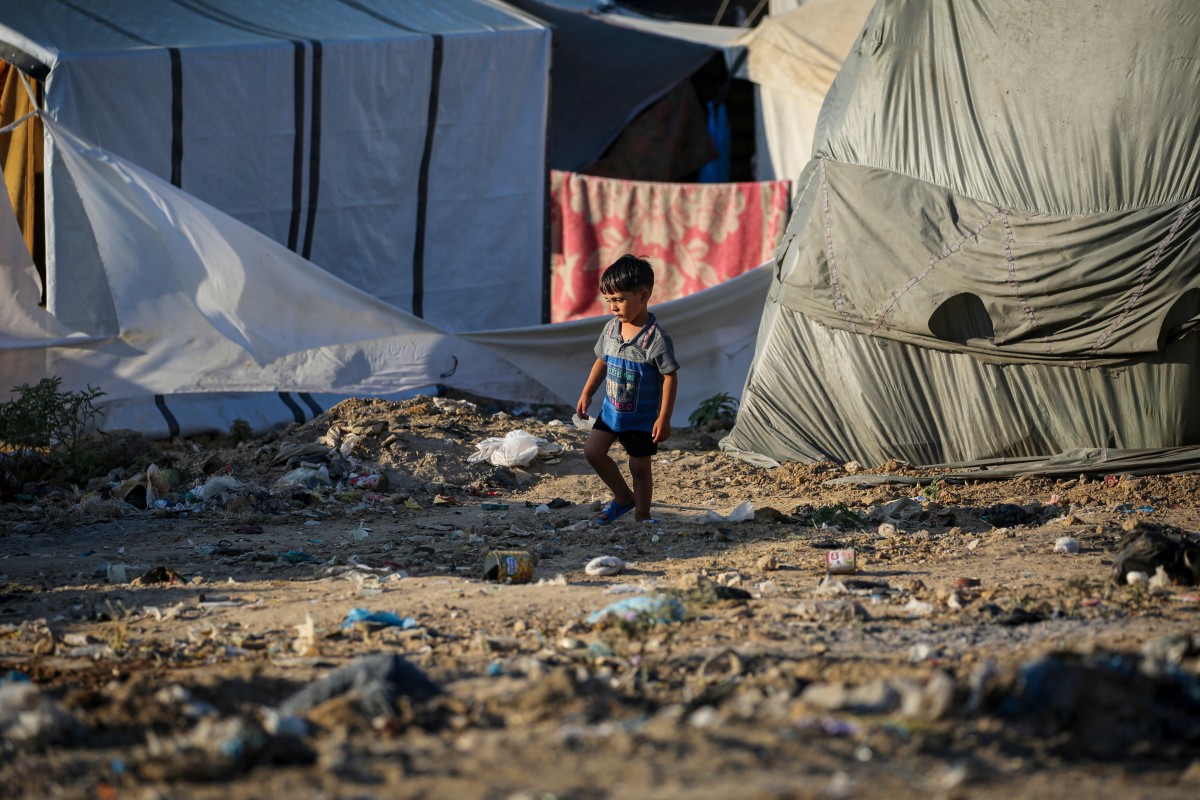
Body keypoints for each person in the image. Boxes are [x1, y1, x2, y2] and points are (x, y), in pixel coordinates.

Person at [576, 255, 679, 524]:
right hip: (611, 412)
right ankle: (623, 497)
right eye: (608, 301)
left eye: (618, 299)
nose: (613, 307)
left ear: (643, 295)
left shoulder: (655, 340)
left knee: (639, 467)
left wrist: (664, 417)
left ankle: (643, 516)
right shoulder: (611, 329)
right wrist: (587, 392)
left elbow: (670, 377)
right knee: (593, 453)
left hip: (641, 420)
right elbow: (602, 360)